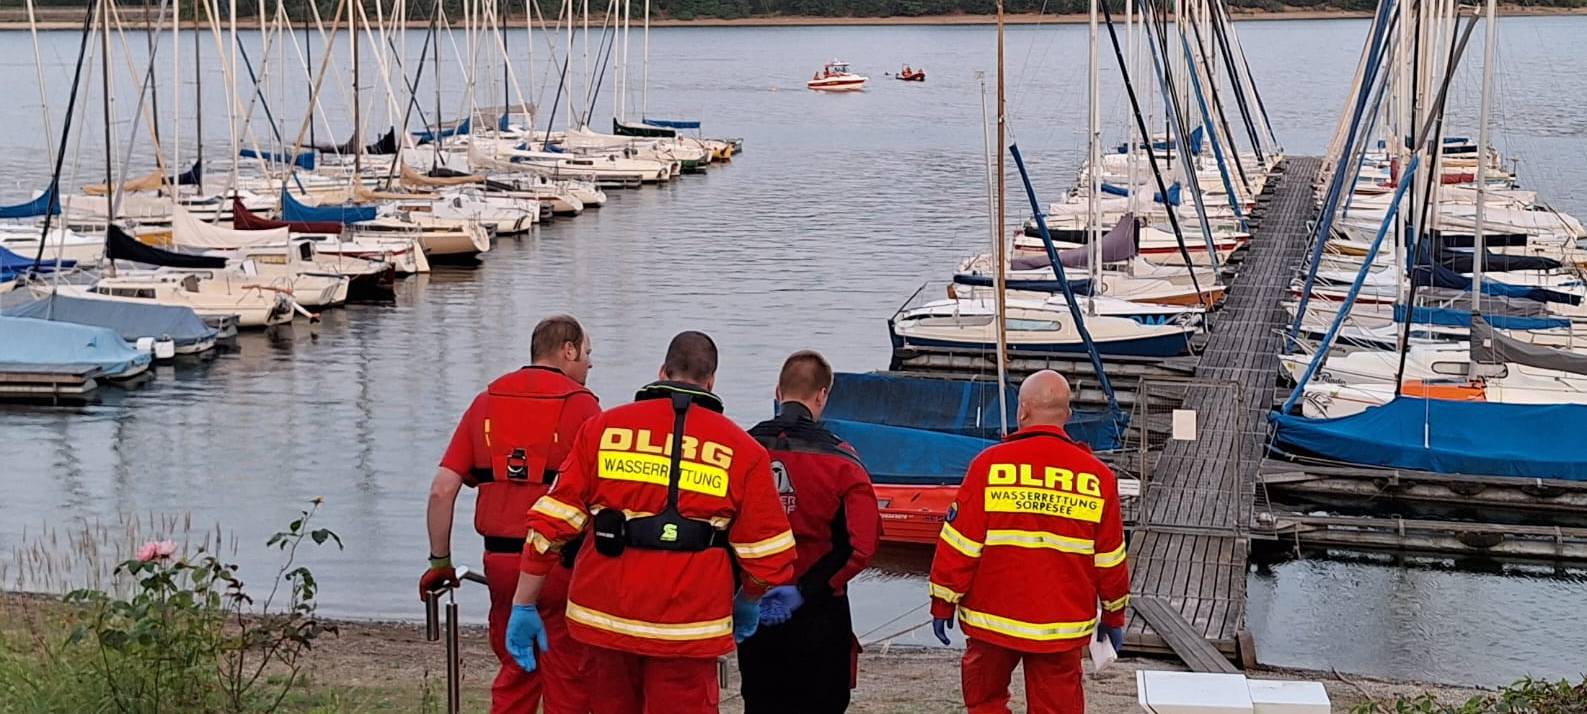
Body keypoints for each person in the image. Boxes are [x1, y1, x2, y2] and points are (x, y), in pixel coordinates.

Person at [505, 331, 800, 714]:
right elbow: (769, 556)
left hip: (603, 618)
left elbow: (551, 525)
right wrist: (748, 599)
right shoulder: (743, 452)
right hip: (690, 627)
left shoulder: (602, 430)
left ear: (662, 371)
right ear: (711, 381)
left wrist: (523, 604)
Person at [421, 314, 600, 714]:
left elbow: (441, 490)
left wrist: (440, 562)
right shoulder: (583, 407)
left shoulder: (486, 401)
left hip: (500, 566)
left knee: (515, 676)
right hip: (559, 568)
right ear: (568, 350)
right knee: (568, 681)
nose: (590, 364)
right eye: (587, 353)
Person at [926, 370, 1130, 714]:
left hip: (992, 620)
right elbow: (1109, 558)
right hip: (1060, 625)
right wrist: (1114, 615)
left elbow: (960, 545)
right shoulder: (1098, 478)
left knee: (985, 702)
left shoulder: (988, 466)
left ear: (1022, 412)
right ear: (1067, 415)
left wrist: (943, 602)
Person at [738, 350, 881, 714]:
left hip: (757, 607)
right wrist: (805, 591)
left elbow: (719, 526)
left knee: (761, 702)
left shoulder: (741, 450)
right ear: (822, 396)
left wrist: (741, 591)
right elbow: (861, 545)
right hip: (819, 610)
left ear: (777, 391)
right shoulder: (842, 462)